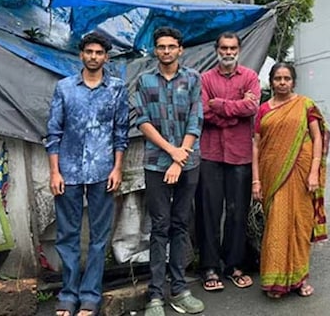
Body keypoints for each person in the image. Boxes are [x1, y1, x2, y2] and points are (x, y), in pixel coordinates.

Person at [45, 32, 129, 316]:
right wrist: (54, 171)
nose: (94, 56)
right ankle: (68, 295)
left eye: (99, 52)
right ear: (81, 55)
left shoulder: (117, 89)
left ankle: (91, 295)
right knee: (67, 235)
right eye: (89, 51)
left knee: (98, 236)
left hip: (103, 172)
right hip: (67, 172)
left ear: (107, 57)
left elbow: (121, 133)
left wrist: (118, 168)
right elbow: (53, 132)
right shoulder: (65, 88)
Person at [133, 27, 206, 316]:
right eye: (161, 46)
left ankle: (179, 289)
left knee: (180, 225)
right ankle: (155, 296)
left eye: (171, 46)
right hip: (155, 163)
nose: (166, 51)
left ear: (180, 49)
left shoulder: (192, 79)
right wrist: (171, 152)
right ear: (155, 50)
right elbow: (142, 120)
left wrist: (180, 158)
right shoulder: (144, 80)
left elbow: (195, 119)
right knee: (159, 226)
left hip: (188, 163)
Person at [253, 62, 330, 300]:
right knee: (276, 223)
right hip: (272, 174)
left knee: (299, 224)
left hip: (302, 172)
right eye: (278, 78)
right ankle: (275, 281)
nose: (282, 82)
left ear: (293, 81)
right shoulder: (263, 110)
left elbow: (317, 137)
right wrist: (256, 180)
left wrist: (314, 171)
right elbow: (256, 145)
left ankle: (300, 279)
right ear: (271, 81)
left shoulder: (305, 105)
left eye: (287, 78)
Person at [197, 32, 260, 293]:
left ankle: (234, 265)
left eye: (232, 48)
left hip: (240, 155)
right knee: (208, 213)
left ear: (239, 50)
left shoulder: (250, 77)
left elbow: (252, 108)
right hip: (210, 154)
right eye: (223, 48)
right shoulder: (205, 79)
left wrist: (221, 105)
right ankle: (209, 267)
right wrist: (234, 112)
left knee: (237, 212)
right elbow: (203, 112)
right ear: (216, 50)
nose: (228, 52)